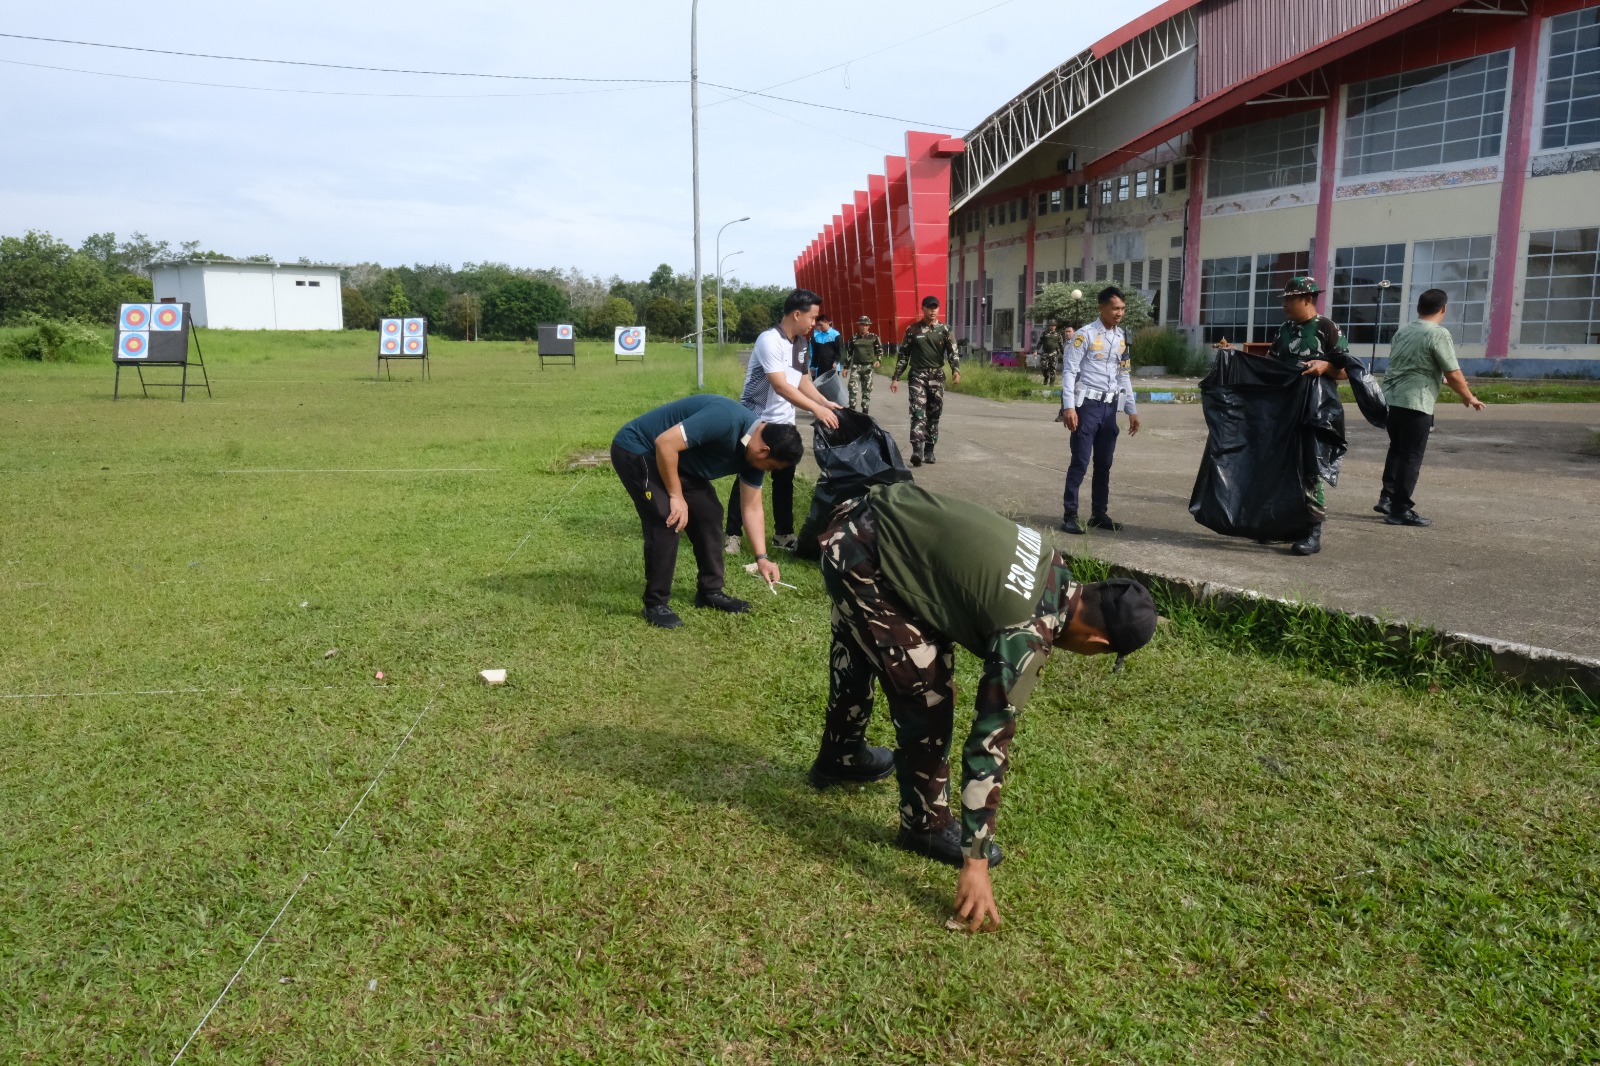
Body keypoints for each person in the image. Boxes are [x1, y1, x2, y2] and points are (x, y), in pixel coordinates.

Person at [809, 483, 1158, 931]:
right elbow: (989, 742)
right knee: (928, 692)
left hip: (861, 519)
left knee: (866, 648)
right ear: (1097, 642)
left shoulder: (1053, 562)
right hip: (862, 556)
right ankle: (925, 825)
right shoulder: (1027, 631)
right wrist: (976, 862)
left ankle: (839, 757)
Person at [612, 394, 803, 629]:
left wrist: (762, 558)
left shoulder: (754, 455)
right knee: (668, 517)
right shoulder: (725, 419)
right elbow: (665, 443)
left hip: (679, 462)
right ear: (764, 451)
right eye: (771, 467)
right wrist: (676, 496)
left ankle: (710, 591)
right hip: (640, 450)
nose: (768, 471)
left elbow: (752, 507)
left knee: (709, 513)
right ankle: (655, 603)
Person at [724, 289, 842, 555]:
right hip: (755, 420)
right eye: (811, 317)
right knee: (746, 476)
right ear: (796, 314)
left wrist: (824, 403)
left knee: (784, 478)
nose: (814, 323)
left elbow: (802, 382)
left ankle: (783, 534)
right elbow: (779, 385)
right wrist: (815, 410)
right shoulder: (769, 340)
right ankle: (732, 535)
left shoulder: (800, 343)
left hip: (785, 422)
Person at [1246, 276, 1351, 556]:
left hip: (1316, 409)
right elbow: (1271, 364)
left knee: (1309, 468)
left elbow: (1346, 370)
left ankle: (1312, 530)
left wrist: (1325, 367)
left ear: (1307, 299)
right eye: (1284, 300)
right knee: (1280, 465)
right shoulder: (1285, 329)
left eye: (1290, 300)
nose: (1285, 305)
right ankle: (1283, 525)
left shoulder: (1327, 329)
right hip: (1285, 407)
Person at [1377, 288, 1484, 526]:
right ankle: (1400, 510)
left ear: (1418, 308)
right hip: (1416, 402)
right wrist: (1468, 396)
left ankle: (1387, 498)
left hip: (1392, 401)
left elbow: (1415, 366)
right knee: (1411, 457)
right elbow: (1453, 372)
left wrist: (1441, 379)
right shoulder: (1437, 333)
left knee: (1397, 449)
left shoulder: (1403, 331)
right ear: (1444, 309)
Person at [1058, 286, 1140, 535]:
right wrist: (1068, 407)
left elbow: (1123, 374)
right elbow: (1070, 372)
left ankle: (1099, 513)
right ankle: (1070, 514)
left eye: (1123, 309)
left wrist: (1131, 409)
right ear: (1101, 307)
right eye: (1115, 308)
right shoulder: (1084, 335)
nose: (1120, 313)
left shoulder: (1121, 337)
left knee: (1104, 463)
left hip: (1109, 408)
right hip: (1087, 407)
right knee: (1080, 462)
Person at [891, 295, 961, 466]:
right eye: (929, 307)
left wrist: (955, 369)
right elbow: (903, 355)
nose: (933, 310)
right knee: (918, 412)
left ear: (938, 309)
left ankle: (929, 449)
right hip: (917, 375)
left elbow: (953, 352)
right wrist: (896, 377)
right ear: (922, 309)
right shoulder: (912, 330)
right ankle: (917, 449)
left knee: (934, 414)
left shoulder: (944, 330)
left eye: (935, 307)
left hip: (937, 376)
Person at [844, 315, 884, 414]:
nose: (864, 327)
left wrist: (878, 360)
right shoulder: (853, 338)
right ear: (859, 326)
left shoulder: (874, 337)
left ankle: (865, 411)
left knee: (867, 389)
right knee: (852, 388)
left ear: (868, 326)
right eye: (862, 325)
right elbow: (849, 353)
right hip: (856, 366)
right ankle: (852, 410)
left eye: (866, 325)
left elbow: (879, 351)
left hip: (868, 367)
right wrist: (845, 367)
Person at [1035, 320, 1064, 387]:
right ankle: (1046, 377)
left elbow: (1061, 345)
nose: (1053, 326)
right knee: (1044, 366)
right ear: (1049, 326)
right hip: (1045, 353)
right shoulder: (1044, 333)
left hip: (1054, 353)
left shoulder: (1058, 334)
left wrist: (1064, 354)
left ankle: (1052, 383)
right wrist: (1036, 350)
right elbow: (1040, 342)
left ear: (1055, 326)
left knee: (1053, 368)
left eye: (1054, 325)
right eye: (1051, 325)